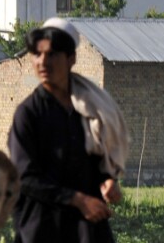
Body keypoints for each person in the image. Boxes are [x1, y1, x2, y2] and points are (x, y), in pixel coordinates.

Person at [8, 18, 128, 243]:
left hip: (87, 229)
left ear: (71, 58)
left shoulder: (90, 109)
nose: (43, 62)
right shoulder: (29, 114)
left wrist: (107, 181)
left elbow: (96, 160)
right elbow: (25, 177)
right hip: (42, 228)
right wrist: (77, 200)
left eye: (52, 54)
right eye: (37, 54)